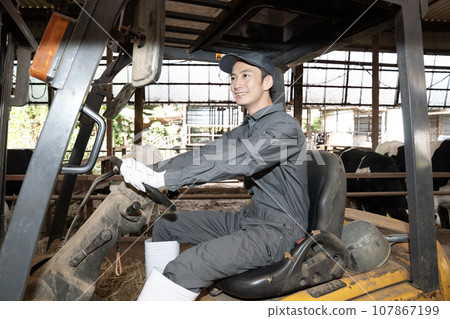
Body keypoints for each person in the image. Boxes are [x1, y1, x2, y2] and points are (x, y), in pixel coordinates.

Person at [120, 52, 309, 300]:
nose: (236, 84)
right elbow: (207, 154)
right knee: (165, 225)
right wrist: (152, 171)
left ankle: (168, 287)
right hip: (251, 218)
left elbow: (244, 159)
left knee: (185, 267)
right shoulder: (248, 127)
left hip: (279, 231)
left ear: (267, 83)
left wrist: (168, 180)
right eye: (233, 77)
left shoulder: (285, 128)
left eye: (245, 75)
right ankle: (160, 289)